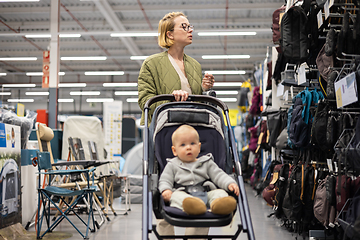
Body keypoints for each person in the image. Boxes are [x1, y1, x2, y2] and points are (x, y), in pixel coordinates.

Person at [138, 11, 215, 125]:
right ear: (170, 34)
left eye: (190, 26)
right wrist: (171, 99)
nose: (190, 30)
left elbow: (197, 103)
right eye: (184, 27)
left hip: (193, 128)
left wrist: (203, 89)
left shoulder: (195, 65)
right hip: (165, 130)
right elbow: (145, 102)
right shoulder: (151, 63)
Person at [159, 124, 239, 216]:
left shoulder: (206, 162)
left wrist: (230, 183)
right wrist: (166, 190)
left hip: (205, 193)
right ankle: (194, 206)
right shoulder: (172, 165)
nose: (188, 147)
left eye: (192, 143)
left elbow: (219, 175)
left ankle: (218, 205)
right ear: (174, 151)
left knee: (220, 193)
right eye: (183, 145)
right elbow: (165, 180)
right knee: (175, 196)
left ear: (199, 147)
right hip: (183, 194)